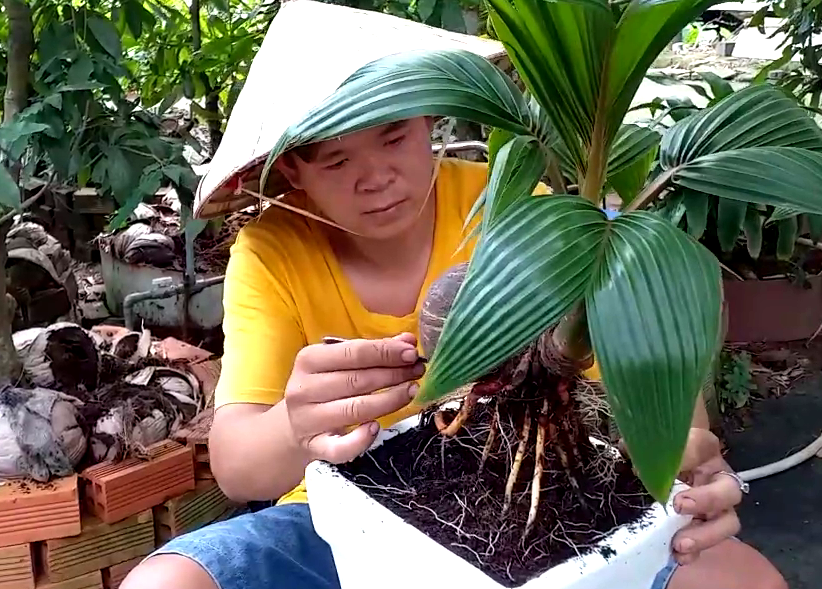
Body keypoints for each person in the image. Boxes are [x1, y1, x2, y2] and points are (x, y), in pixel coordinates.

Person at [121, 116, 788, 589]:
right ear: (290, 166)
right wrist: (298, 422)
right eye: (335, 159)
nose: (376, 178)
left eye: (394, 136)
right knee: (167, 580)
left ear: (431, 117)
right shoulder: (272, 251)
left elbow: (650, 387)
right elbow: (240, 471)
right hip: (343, 531)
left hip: (548, 493)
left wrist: (686, 454)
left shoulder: (520, 209)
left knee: (743, 578)